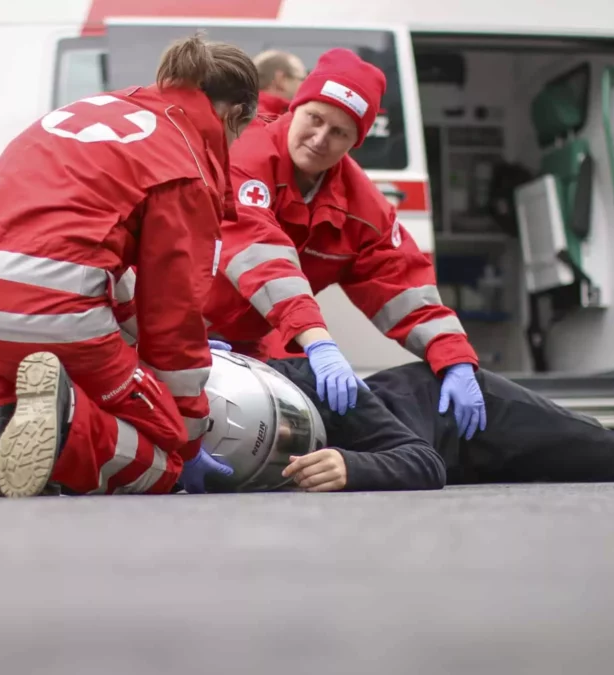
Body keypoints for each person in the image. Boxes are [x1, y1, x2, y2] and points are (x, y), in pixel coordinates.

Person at [0, 33, 259, 499]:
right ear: (234, 115)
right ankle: (65, 437)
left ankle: (4, 434)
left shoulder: (90, 110)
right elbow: (173, 317)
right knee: (166, 450)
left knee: (36, 337)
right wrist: (189, 438)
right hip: (48, 301)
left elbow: (111, 286)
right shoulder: (184, 164)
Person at [204, 47, 487, 441]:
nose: (320, 139)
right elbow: (261, 253)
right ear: (294, 108)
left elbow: (403, 284)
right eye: (314, 119)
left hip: (246, 345)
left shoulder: (361, 206)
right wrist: (319, 343)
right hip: (167, 328)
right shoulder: (244, 154)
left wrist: (453, 358)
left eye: (340, 132)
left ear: (356, 142)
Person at [0, 345, 614, 496]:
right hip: (445, 441)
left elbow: (421, 462)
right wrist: (1, 447)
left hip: (463, 414)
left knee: (608, 453)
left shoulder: (322, 385)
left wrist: (355, 465)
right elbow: (121, 451)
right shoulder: (191, 394)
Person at [253, 49, 307, 117]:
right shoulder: (272, 119)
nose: (305, 84)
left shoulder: (243, 111)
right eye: (302, 79)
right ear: (280, 79)